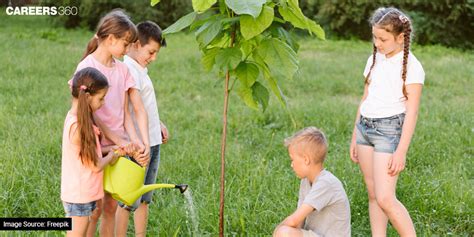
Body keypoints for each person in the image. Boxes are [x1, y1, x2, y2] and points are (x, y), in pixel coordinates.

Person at [70, 9, 150, 237]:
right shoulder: (87, 68)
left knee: (110, 206)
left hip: (118, 147)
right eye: (126, 45)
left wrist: (137, 142)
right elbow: (90, 116)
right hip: (96, 146)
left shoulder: (123, 70)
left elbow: (128, 111)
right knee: (92, 209)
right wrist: (120, 141)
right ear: (111, 39)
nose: (127, 51)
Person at [349, 7, 425, 236]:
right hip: (365, 128)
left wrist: (401, 150)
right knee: (373, 194)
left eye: (382, 39)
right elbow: (365, 97)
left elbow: (412, 113)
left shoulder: (412, 67)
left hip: (389, 131)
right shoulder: (374, 58)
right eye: (374, 37)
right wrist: (355, 135)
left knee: (385, 197)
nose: (377, 43)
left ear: (400, 37)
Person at [61, 67, 135, 236]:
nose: (103, 103)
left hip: (84, 193)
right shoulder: (79, 128)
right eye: (101, 99)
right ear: (87, 97)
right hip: (79, 196)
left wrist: (112, 148)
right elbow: (95, 165)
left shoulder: (78, 120)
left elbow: (92, 153)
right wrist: (113, 155)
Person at [115, 21, 169, 237]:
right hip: (139, 145)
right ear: (136, 44)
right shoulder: (128, 69)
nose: (153, 58)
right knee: (128, 200)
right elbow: (131, 110)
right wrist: (139, 143)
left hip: (153, 141)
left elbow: (145, 107)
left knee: (145, 198)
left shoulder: (140, 69)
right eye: (151, 52)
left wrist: (159, 124)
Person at [274, 127, 351, 237]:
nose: (291, 164)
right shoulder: (306, 181)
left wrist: (276, 232)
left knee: (283, 232)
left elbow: (293, 221)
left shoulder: (326, 184)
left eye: (293, 159)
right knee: (287, 232)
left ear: (306, 160)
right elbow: (299, 221)